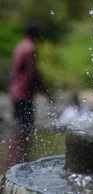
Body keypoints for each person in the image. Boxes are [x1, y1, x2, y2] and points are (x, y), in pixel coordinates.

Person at [4, 21, 53, 170]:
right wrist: (46, 92)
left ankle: (10, 165)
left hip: (15, 93)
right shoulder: (30, 48)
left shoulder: (19, 46)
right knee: (26, 132)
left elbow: (15, 72)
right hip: (24, 95)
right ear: (36, 33)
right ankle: (20, 167)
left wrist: (11, 88)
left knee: (16, 130)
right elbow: (32, 75)